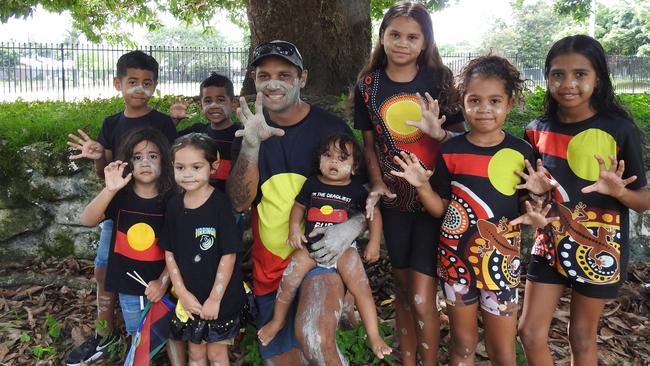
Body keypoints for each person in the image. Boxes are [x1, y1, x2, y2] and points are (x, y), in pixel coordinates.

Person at [392, 55, 559, 365]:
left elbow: (528, 204)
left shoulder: (521, 151)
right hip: (456, 264)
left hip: (501, 267)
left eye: (495, 100)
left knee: (503, 351)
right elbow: (440, 209)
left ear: (509, 103)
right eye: (475, 100)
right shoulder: (450, 150)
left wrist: (537, 207)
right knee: (463, 347)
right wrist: (422, 186)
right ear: (463, 103)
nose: (484, 108)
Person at [226, 40, 364, 365]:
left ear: (302, 78)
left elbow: (366, 193)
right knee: (284, 359)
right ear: (254, 80)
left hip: (321, 259)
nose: (273, 83)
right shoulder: (247, 131)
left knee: (314, 337)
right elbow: (238, 203)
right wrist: (250, 146)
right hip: (269, 266)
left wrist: (352, 227)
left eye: (284, 75)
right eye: (264, 75)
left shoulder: (331, 129)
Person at [518, 35, 650, 366]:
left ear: (599, 79)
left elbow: (643, 200)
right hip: (549, 245)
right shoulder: (536, 130)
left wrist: (619, 192)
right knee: (530, 333)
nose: (568, 84)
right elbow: (531, 192)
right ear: (547, 78)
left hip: (599, 250)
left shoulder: (620, 131)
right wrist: (532, 196)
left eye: (580, 74)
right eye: (557, 74)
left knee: (581, 336)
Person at [352, 2, 464, 364]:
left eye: (412, 36)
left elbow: (462, 138)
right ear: (382, 37)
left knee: (422, 292)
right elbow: (369, 144)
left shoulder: (440, 80)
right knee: (402, 289)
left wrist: (440, 132)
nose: (402, 42)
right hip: (394, 202)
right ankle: (408, 357)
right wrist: (376, 183)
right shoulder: (368, 85)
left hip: (434, 199)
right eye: (395, 34)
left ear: (425, 43)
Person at [65, 50, 178, 366]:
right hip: (119, 211)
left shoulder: (163, 123)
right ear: (118, 83)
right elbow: (105, 173)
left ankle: (155, 335)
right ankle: (104, 333)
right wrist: (98, 155)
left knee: (156, 265)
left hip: (155, 212)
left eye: (146, 83)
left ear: (154, 86)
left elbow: (171, 167)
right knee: (103, 268)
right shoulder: (111, 122)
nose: (139, 89)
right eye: (132, 81)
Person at [256, 133, 391, 359]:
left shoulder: (357, 189)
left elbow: (372, 213)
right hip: (312, 248)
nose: (333, 162)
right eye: (328, 156)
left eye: (342, 158)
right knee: (290, 277)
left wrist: (374, 242)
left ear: (354, 166)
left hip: (343, 251)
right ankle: (278, 321)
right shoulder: (312, 183)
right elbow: (299, 207)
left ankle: (374, 335)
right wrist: (294, 229)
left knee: (361, 287)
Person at [78, 127, 174, 361]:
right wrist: (109, 190)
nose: (145, 162)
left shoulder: (172, 201)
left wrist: (163, 282)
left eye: (153, 156)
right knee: (137, 335)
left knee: (167, 336)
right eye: (137, 157)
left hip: (165, 286)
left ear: (165, 160)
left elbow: (178, 249)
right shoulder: (120, 197)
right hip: (128, 286)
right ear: (128, 161)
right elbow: (87, 220)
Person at [160, 133, 246, 365]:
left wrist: (215, 299)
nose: (187, 174)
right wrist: (183, 294)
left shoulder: (220, 204)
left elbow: (229, 254)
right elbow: (169, 252)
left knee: (217, 355)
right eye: (180, 167)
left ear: (213, 166)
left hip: (220, 300)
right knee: (195, 354)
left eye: (196, 167)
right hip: (190, 300)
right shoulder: (173, 207)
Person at [171, 72, 242, 192]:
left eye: (220, 100)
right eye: (208, 101)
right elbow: (165, 142)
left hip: (229, 204)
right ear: (200, 106)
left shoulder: (240, 134)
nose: (214, 105)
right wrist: (174, 120)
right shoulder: (195, 131)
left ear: (233, 103)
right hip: (196, 202)